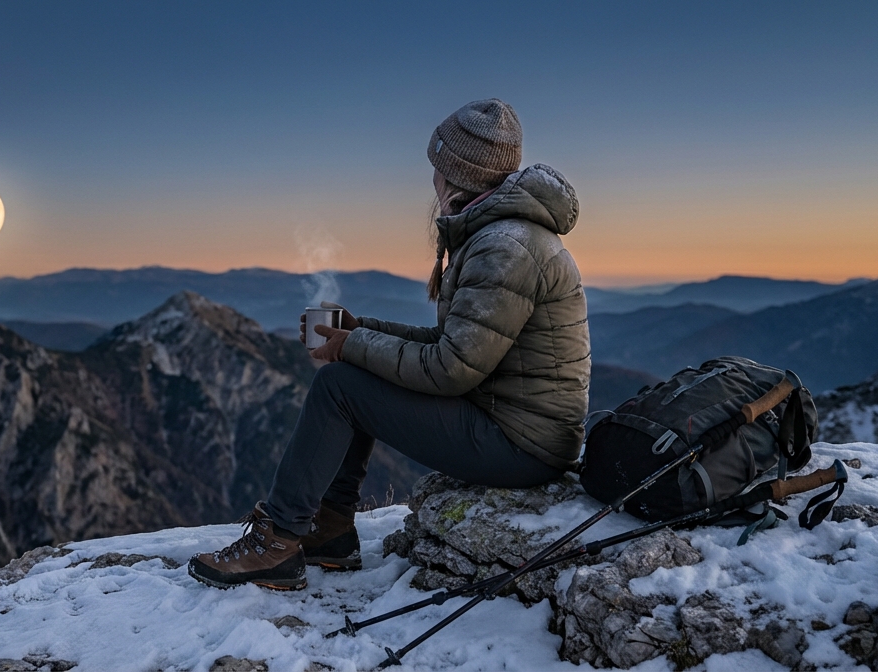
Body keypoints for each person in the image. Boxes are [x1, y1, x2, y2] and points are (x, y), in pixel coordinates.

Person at [189, 99, 590, 590]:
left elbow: (450, 369)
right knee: (353, 376)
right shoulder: (504, 235)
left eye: (436, 169)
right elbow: (457, 345)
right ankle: (329, 532)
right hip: (517, 427)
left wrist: (351, 345)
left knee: (339, 385)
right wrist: (362, 329)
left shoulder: (504, 247)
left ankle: (278, 542)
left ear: (454, 174)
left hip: (521, 446)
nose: (432, 182)